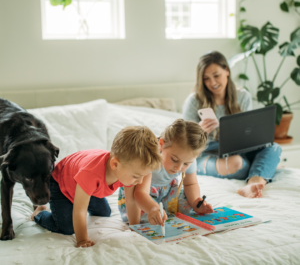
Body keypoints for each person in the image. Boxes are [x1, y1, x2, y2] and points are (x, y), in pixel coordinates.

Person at [31, 126, 162, 248]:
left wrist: (135, 227)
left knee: (105, 213)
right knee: (67, 228)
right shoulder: (91, 174)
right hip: (60, 183)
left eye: (143, 176)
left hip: (87, 186)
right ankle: (39, 213)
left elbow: (131, 201)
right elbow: (80, 210)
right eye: (136, 176)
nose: (140, 182)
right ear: (115, 164)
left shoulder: (127, 171)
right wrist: (82, 239)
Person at [182, 51, 282, 199]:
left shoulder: (242, 96)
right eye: (206, 78)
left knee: (274, 147)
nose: (212, 83)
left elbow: (248, 133)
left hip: (238, 149)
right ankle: (261, 169)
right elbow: (183, 143)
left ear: (227, 71)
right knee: (237, 164)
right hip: (207, 152)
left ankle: (252, 183)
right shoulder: (194, 101)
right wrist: (199, 131)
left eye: (216, 75)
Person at [118, 119, 213, 225]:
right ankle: (157, 212)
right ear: (161, 144)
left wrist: (196, 202)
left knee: (187, 205)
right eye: (174, 160)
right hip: (142, 195)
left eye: (186, 164)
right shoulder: (150, 158)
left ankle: (163, 211)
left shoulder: (189, 158)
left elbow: (190, 184)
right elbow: (140, 193)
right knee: (150, 218)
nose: (179, 167)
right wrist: (153, 209)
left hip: (167, 191)